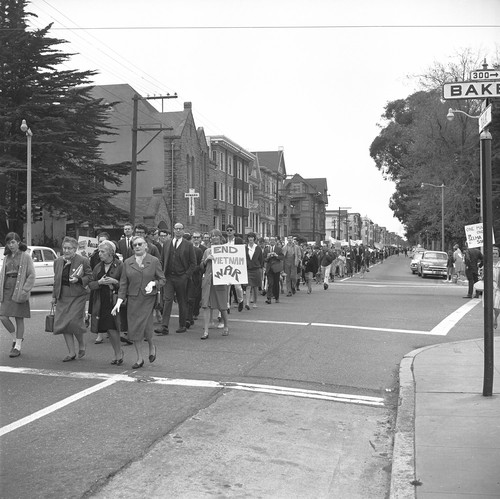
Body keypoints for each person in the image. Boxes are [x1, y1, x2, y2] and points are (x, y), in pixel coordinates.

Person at [111, 235, 165, 368]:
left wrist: (153, 283)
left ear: (146, 245)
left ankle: (152, 345)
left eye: (140, 244)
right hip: (133, 299)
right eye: (135, 245)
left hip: (147, 298)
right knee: (135, 329)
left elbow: (162, 280)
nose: (137, 247)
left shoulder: (154, 261)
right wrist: (118, 302)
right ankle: (140, 358)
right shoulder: (127, 262)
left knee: (146, 326)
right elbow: (123, 284)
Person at [51, 236, 92, 362]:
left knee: (74, 322)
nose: (66, 250)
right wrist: (54, 296)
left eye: (69, 248)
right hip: (62, 296)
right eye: (65, 248)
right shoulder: (57, 261)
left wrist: (79, 280)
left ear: (75, 249)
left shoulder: (83, 260)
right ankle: (71, 352)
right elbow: (56, 280)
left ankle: (81, 344)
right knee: (64, 324)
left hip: (78, 296)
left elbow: (90, 276)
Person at [155, 222, 196, 335]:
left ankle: (182, 325)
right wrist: (161, 274)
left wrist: (186, 276)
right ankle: (164, 326)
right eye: (176, 229)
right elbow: (162, 260)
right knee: (167, 300)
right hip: (168, 277)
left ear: (183, 231)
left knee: (182, 301)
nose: (178, 231)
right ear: (173, 230)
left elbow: (193, 263)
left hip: (181, 277)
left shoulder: (188, 245)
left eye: (180, 229)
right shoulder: (167, 243)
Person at [0, 232, 36, 358]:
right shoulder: (6, 257)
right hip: (7, 289)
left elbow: (31, 274)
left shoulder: (25, 256)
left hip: (19, 288)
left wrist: (25, 290)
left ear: (19, 242)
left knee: (18, 317)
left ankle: (18, 346)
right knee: (3, 316)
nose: (11, 245)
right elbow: (2, 274)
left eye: (13, 242)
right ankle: (15, 338)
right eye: (9, 243)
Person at [88, 241, 124, 365]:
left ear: (110, 253)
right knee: (108, 329)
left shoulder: (120, 265)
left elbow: (126, 284)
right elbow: (91, 284)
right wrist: (100, 282)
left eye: (102, 252)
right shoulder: (98, 267)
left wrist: (115, 281)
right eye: (99, 251)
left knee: (113, 327)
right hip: (101, 300)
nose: (100, 254)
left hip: (114, 300)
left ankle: (118, 353)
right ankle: (117, 352)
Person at [199, 229, 229, 339]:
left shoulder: (226, 250)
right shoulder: (207, 251)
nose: (214, 238)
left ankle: (226, 326)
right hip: (208, 281)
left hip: (220, 281)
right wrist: (207, 260)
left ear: (220, 238)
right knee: (206, 305)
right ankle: (206, 331)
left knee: (222, 306)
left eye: (216, 236)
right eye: (212, 236)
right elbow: (201, 267)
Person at [225, 224, 245, 311]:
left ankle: (240, 300)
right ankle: (227, 305)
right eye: (228, 230)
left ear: (234, 231)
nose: (229, 232)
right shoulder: (224, 241)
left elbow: (242, 252)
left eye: (231, 230)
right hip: (226, 267)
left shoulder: (238, 240)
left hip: (236, 266)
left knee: (237, 287)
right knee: (227, 288)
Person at [244, 232, 264, 309]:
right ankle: (247, 303)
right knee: (248, 286)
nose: (250, 238)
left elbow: (261, 259)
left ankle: (255, 302)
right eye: (249, 237)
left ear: (254, 239)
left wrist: (260, 267)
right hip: (248, 269)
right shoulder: (245, 248)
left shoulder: (258, 248)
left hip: (256, 269)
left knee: (255, 287)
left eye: (252, 237)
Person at [264, 236, 284, 304]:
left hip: (276, 268)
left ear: (275, 242)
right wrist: (268, 257)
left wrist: (276, 256)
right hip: (269, 268)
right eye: (271, 241)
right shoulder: (266, 249)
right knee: (270, 283)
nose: (272, 242)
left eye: (273, 241)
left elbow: (282, 257)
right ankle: (269, 298)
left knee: (276, 283)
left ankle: (276, 297)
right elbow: (264, 259)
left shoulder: (278, 249)